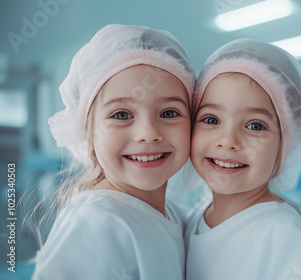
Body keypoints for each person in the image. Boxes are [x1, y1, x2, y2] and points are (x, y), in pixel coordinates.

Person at [32, 24, 195, 279]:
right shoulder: (97, 222)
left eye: (169, 113)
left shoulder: (173, 216)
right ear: (87, 131)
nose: (148, 133)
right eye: (121, 114)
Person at [184, 39, 301, 280]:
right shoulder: (196, 218)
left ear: (286, 144)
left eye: (255, 126)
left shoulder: (283, 236)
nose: (228, 140)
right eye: (211, 119)